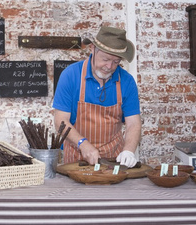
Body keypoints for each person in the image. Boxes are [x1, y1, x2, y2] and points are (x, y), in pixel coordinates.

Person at [52, 26, 142, 168]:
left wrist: (129, 151)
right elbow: (60, 121)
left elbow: (133, 123)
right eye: (105, 59)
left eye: (116, 62)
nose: (109, 66)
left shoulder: (127, 81)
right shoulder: (70, 75)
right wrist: (83, 144)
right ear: (92, 49)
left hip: (113, 161)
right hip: (77, 159)